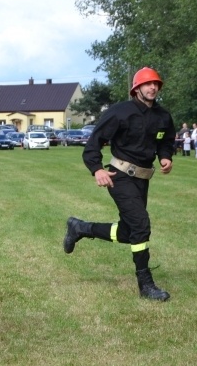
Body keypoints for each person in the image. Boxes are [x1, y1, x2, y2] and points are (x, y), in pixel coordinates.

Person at [63, 66, 175, 302]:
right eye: (147, 84)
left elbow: (166, 140)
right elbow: (94, 143)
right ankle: (146, 285)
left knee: (128, 232)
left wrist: (166, 156)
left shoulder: (163, 116)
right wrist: (97, 169)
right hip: (120, 176)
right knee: (141, 225)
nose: (153, 87)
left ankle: (81, 228)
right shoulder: (119, 112)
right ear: (137, 89)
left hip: (143, 179)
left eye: (156, 84)